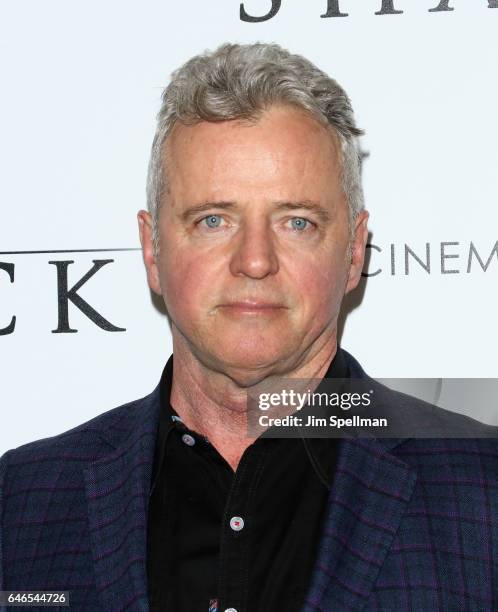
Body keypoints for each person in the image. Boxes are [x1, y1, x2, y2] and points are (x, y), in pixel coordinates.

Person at [0, 43, 496, 612]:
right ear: (153, 249)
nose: (255, 260)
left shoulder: (483, 489)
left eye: (296, 221)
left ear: (355, 250)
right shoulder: (22, 499)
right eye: (213, 219)